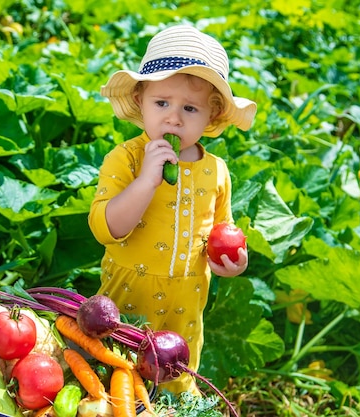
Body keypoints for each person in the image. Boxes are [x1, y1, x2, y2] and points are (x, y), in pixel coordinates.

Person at [88, 24, 257, 394]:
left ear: (211, 117)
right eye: (161, 103)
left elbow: (221, 232)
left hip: (187, 300)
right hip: (129, 293)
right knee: (118, 371)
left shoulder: (216, 170)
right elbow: (106, 227)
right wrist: (146, 181)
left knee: (175, 370)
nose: (174, 118)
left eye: (190, 108)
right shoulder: (128, 159)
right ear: (140, 100)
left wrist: (231, 262)